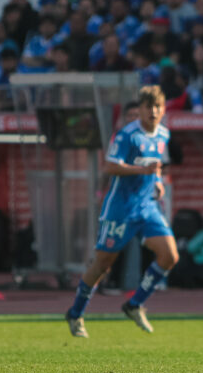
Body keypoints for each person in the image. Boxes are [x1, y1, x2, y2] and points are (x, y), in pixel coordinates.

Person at [65, 86, 178, 338]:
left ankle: (134, 304)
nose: (153, 111)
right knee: (103, 265)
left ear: (163, 109)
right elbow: (110, 167)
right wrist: (143, 172)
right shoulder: (127, 135)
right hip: (120, 209)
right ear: (140, 109)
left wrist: (157, 182)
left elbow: (155, 166)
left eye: (158, 106)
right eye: (149, 106)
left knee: (170, 256)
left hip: (147, 207)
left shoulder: (163, 134)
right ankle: (75, 313)